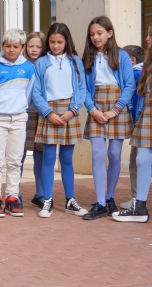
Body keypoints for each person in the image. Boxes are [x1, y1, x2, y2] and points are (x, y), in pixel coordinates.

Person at [31, 22, 88, 218]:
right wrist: (48, 113)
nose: (55, 46)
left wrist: (72, 110)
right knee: (48, 159)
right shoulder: (41, 62)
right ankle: (47, 200)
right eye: (52, 42)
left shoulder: (75, 61)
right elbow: (36, 92)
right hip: (50, 112)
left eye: (59, 42)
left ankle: (70, 200)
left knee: (66, 159)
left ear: (66, 41)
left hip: (69, 112)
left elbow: (82, 89)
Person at [81, 16, 134, 220]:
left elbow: (129, 85)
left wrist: (115, 110)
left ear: (110, 33)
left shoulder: (122, 56)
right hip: (96, 106)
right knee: (96, 153)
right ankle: (100, 202)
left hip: (116, 107)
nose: (95, 37)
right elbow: (85, 88)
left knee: (113, 154)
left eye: (99, 33)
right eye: (92, 34)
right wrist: (93, 110)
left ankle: (110, 196)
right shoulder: (89, 58)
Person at [0, 29, 34, 218]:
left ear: (22, 48)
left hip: (19, 118)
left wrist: (20, 108)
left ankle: (12, 197)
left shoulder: (28, 68)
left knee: (15, 161)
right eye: (7, 46)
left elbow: (28, 93)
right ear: (2, 46)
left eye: (15, 46)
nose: (11, 50)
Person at [112, 44, 152, 223]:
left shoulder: (138, 70)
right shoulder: (147, 65)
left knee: (140, 161)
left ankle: (139, 203)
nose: (147, 38)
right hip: (146, 115)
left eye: (150, 35)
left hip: (144, 116)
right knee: (141, 160)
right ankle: (140, 206)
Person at [120, 42, 146, 210]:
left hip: (142, 125)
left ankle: (137, 198)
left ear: (131, 60)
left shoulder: (136, 74)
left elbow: (135, 101)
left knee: (135, 163)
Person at [23, 31, 46, 208]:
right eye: (31, 46)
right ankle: (14, 193)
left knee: (40, 156)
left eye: (38, 46)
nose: (34, 49)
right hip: (24, 114)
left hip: (42, 114)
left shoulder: (46, 65)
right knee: (18, 155)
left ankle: (40, 193)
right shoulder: (22, 65)